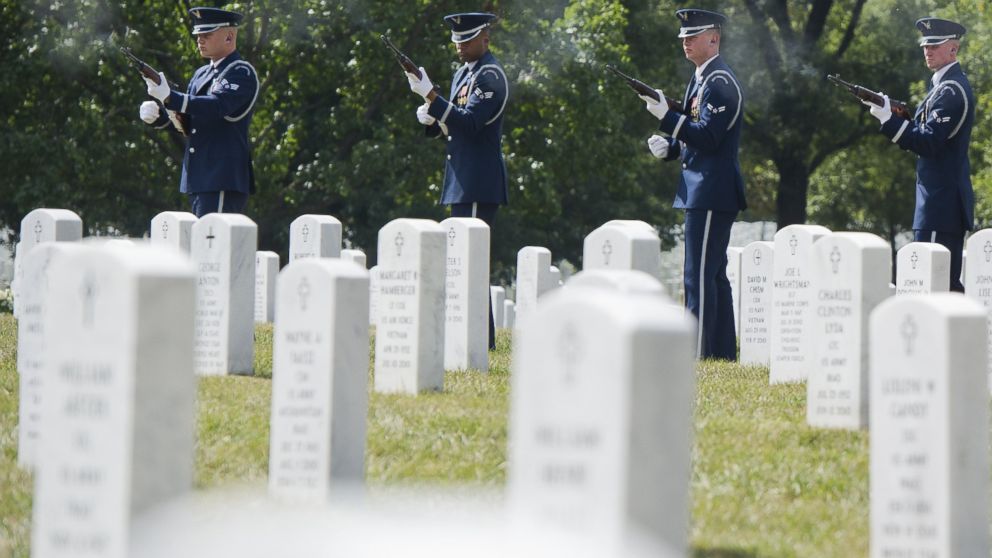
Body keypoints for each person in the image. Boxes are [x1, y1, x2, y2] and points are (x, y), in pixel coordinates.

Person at [642, 9, 746, 360]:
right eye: (684, 36)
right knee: (713, 275)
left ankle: (697, 353)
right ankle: (720, 353)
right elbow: (694, 137)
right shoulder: (702, 79)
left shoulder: (720, 82)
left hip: (712, 190)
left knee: (697, 275)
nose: (685, 41)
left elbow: (710, 137)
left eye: (693, 35)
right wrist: (671, 146)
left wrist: (667, 119)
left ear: (713, 38)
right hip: (704, 187)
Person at [405, 12, 509, 350]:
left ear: (485, 38)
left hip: (479, 181)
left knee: (473, 264)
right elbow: (452, 127)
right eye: (456, 41)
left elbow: (472, 124)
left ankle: (481, 341)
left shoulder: (490, 75)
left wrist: (433, 99)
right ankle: (469, 335)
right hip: (461, 179)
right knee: (461, 265)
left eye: (466, 40)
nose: (460, 47)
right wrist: (431, 117)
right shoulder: (463, 74)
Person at [864, 17, 974, 292]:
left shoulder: (951, 91)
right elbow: (923, 131)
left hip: (941, 204)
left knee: (937, 286)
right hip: (936, 203)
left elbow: (928, 143)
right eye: (925, 45)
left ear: (953, 49)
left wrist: (888, 120)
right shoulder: (940, 87)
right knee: (937, 285)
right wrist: (893, 111)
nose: (928, 50)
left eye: (935, 45)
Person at [139, 7, 260, 218]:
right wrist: (159, 116)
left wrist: (170, 97)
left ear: (230, 36)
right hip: (198, 177)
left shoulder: (240, 72)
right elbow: (189, 123)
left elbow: (217, 106)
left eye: (207, 35)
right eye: (198, 35)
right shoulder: (201, 74)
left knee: (214, 245)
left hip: (222, 176)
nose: (200, 40)